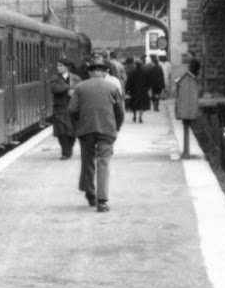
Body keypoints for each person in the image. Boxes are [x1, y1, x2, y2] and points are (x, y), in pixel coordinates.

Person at [69, 57, 125, 213]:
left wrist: (77, 126)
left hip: (86, 130)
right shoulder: (112, 87)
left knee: (87, 161)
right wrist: (116, 127)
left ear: (90, 72)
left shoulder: (80, 87)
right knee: (103, 163)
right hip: (107, 130)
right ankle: (102, 201)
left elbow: (72, 110)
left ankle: (90, 193)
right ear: (105, 72)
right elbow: (120, 112)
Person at [47, 59, 78, 159]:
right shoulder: (54, 78)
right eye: (58, 66)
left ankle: (69, 148)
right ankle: (65, 152)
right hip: (59, 108)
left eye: (60, 66)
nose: (58, 68)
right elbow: (55, 89)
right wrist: (68, 88)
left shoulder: (76, 78)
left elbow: (80, 89)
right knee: (61, 131)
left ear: (66, 67)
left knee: (72, 131)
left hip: (73, 108)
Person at [125, 58, 152, 123]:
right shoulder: (145, 72)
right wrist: (147, 89)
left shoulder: (131, 72)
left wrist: (127, 90)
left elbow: (129, 82)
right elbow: (149, 82)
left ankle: (134, 116)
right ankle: (140, 117)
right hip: (143, 91)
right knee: (141, 105)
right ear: (141, 64)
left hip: (134, 91)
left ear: (135, 64)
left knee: (134, 104)